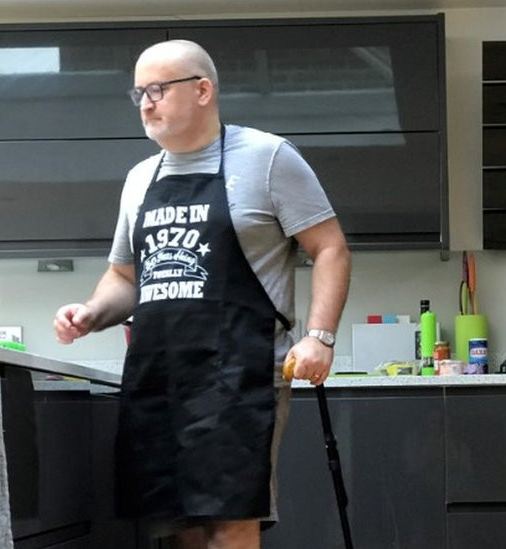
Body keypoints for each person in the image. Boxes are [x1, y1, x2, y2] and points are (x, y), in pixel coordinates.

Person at [53, 39, 350, 549]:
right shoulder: (140, 179)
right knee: (178, 528)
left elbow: (330, 248)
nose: (145, 103)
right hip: (161, 377)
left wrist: (319, 337)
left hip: (240, 375)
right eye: (139, 93)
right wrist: (91, 311)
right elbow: (124, 277)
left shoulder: (267, 158)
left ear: (203, 90)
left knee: (230, 522)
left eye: (157, 89)